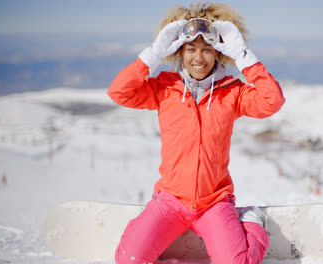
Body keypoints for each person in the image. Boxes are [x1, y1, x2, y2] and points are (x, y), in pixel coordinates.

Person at [107, 2, 285, 264]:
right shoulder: (164, 89)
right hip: (170, 201)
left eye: (206, 50)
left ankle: (250, 220)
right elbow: (119, 92)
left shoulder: (232, 92)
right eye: (191, 49)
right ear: (180, 51)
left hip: (213, 203)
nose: (198, 58)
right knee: (129, 259)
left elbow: (272, 101)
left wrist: (244, 56)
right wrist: (154, 54)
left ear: (218, 53)